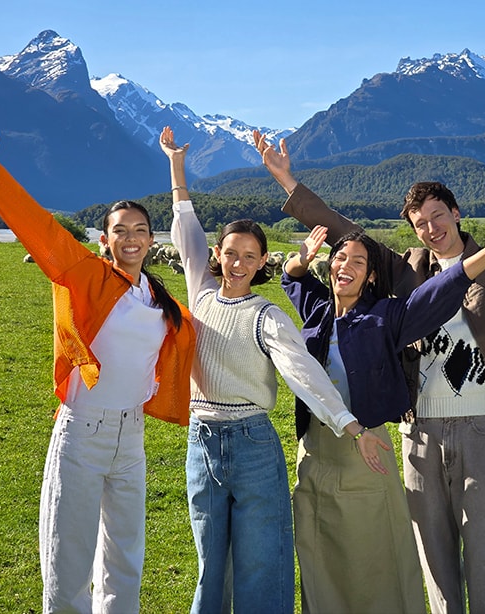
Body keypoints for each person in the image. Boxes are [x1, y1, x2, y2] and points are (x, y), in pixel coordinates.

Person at [254, 91, 485, 613]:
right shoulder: (406, 271)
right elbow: (341, 230)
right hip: (417, 429)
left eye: (437, 215)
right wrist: (286, 180)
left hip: (477, 425)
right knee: (435, 557)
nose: (431, 227)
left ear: (455, 212)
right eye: (420, 223)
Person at [0, 126, 196, 614]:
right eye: (120, 230)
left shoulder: (159, 298)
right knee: (69, 559)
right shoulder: (86, 275)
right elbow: (33, 222)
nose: (131, 238)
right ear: (105, 240)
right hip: (83, 434)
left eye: (140, 230)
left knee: (125, 557)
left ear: (152, 239)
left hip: (131, 437)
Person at [158, 126, 385, 614]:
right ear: (217, 255)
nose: (238, 263)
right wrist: (177, 166)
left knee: (262, 563)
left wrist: (351, 426)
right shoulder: (200, 292)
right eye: (230, 253)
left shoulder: (268, 317)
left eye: (249, 256)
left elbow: (304, 373)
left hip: (253, 446)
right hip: (202, 441)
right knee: (209, 564)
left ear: (263, 261)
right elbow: (186, 229)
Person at [281, 198, 485, 613]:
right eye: (340, 257)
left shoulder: (385, 317)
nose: (345, 265)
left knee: (376, 559)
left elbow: (438, 292)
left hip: (365, 452)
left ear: (372, 275)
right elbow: (293, 280)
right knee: (318, 554)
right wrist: (298, 260)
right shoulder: (319, 312)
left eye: (358, 261)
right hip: (315, 454)